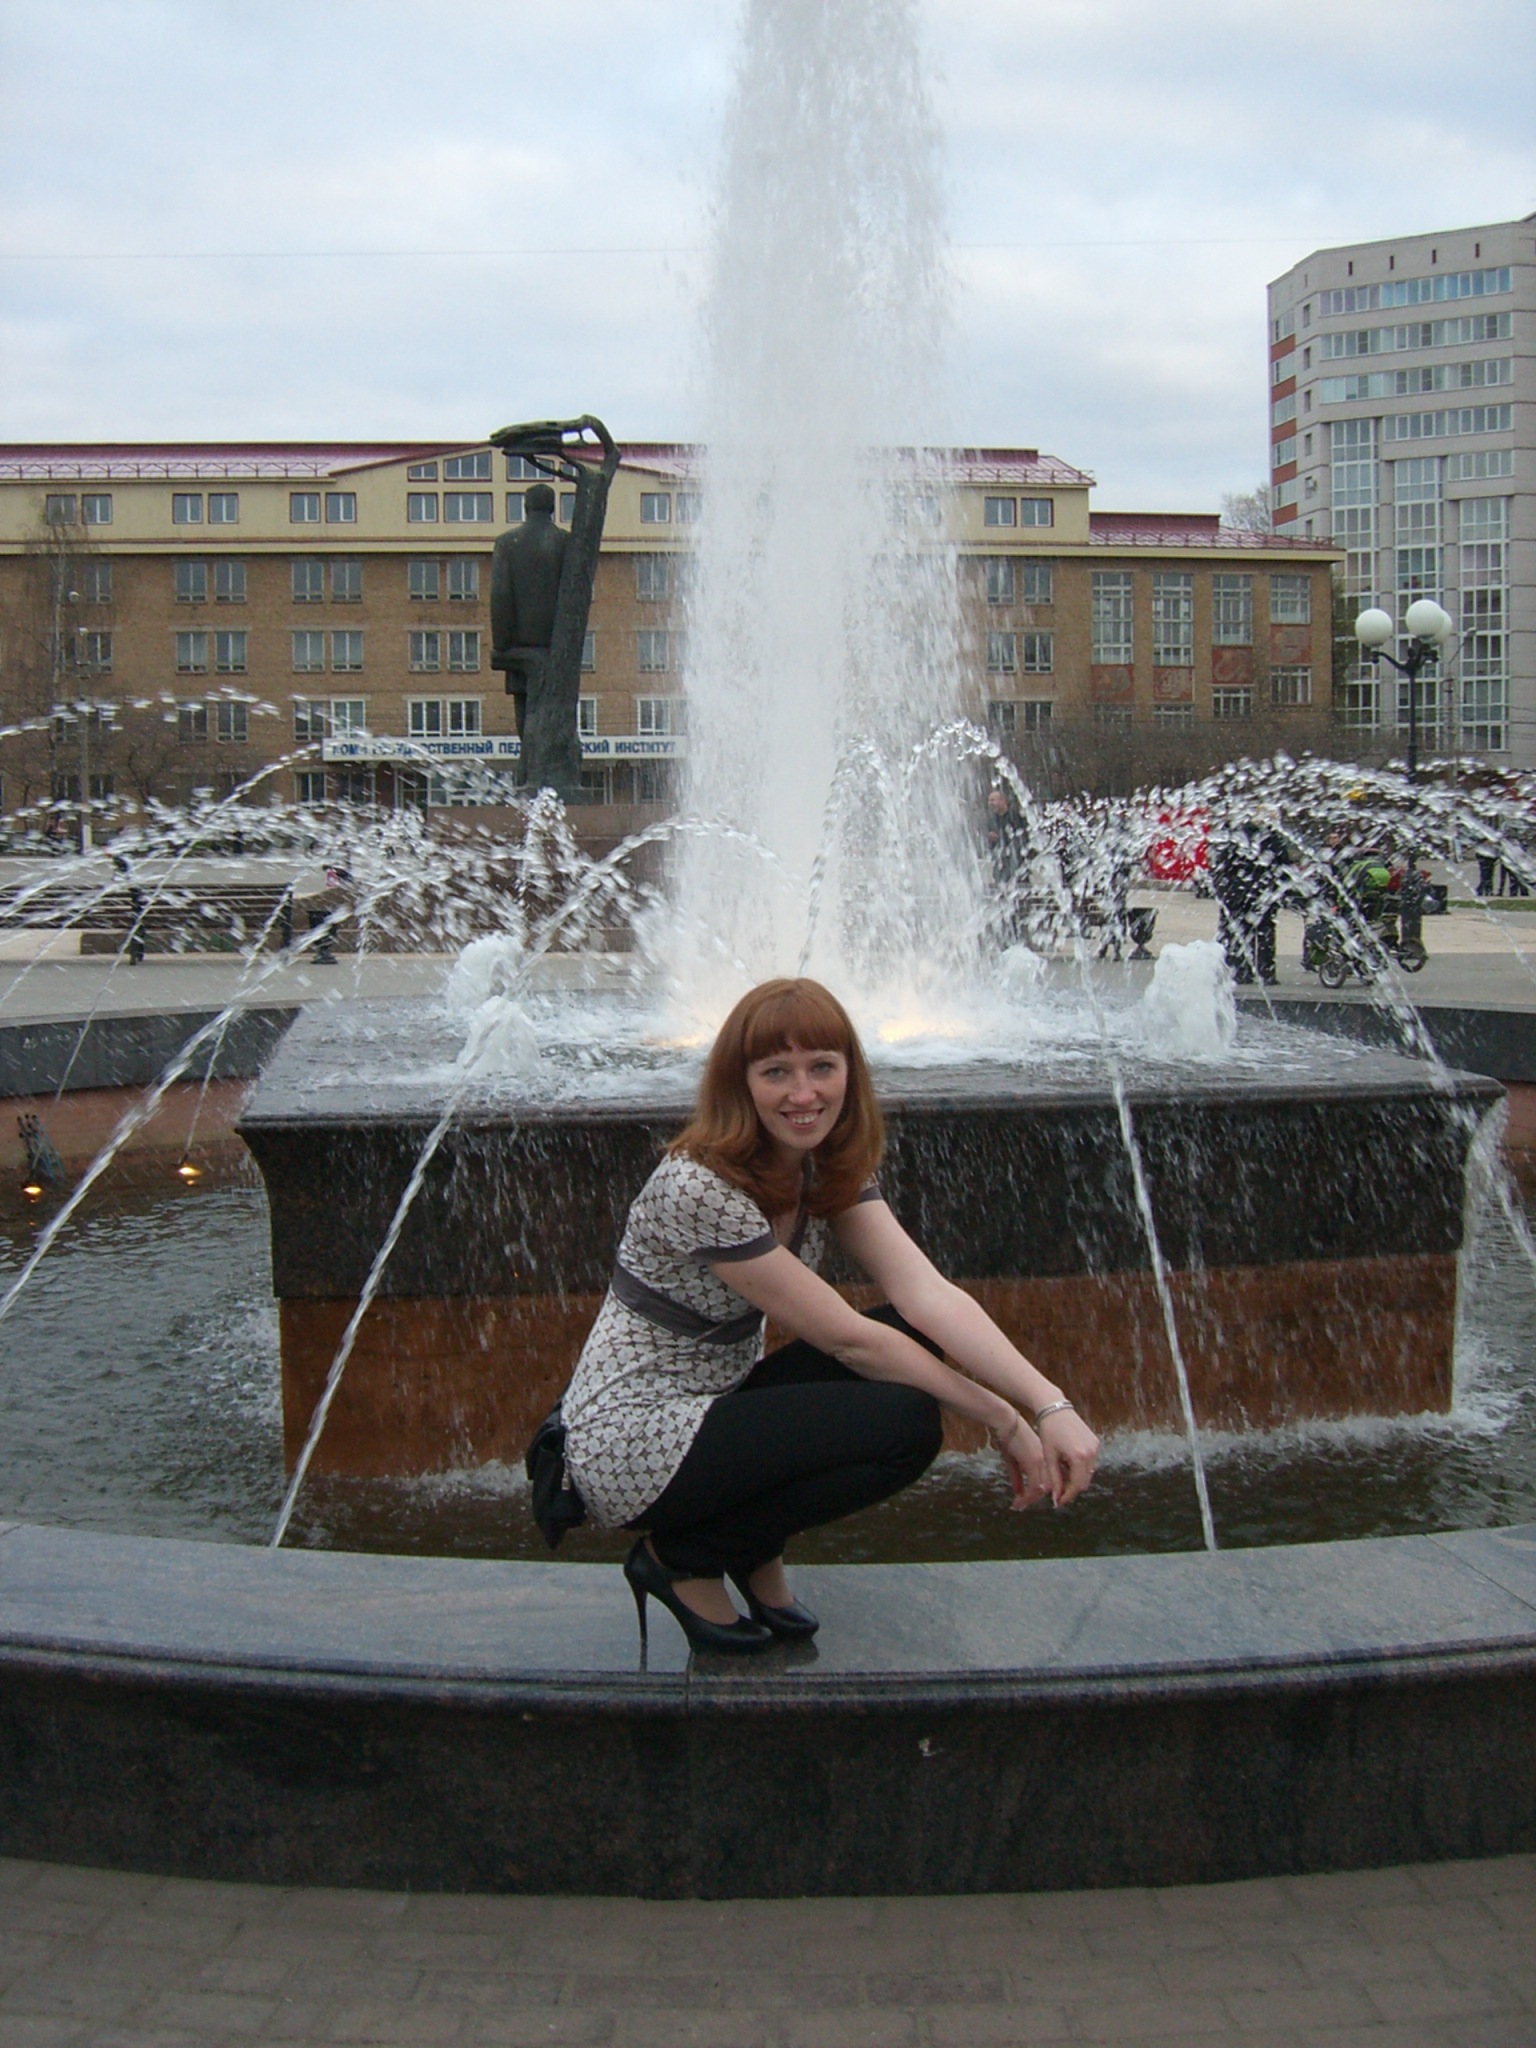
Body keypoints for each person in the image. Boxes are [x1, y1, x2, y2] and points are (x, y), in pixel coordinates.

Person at [560, 977, 1100, 1655]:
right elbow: (849, 1342)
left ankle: (751, 1551)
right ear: (739, 1083)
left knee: (911, 1330)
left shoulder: (820, 1165)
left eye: (822, 1067)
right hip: (633, 1442)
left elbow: (928, 1295)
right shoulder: (698, 1184)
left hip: (717, 1406)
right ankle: (684, 1558)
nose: (803, 1093)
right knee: (903, 1424)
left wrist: (1050, 1404)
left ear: (850, 1072)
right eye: (776, 1072)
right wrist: (1003, 1418)